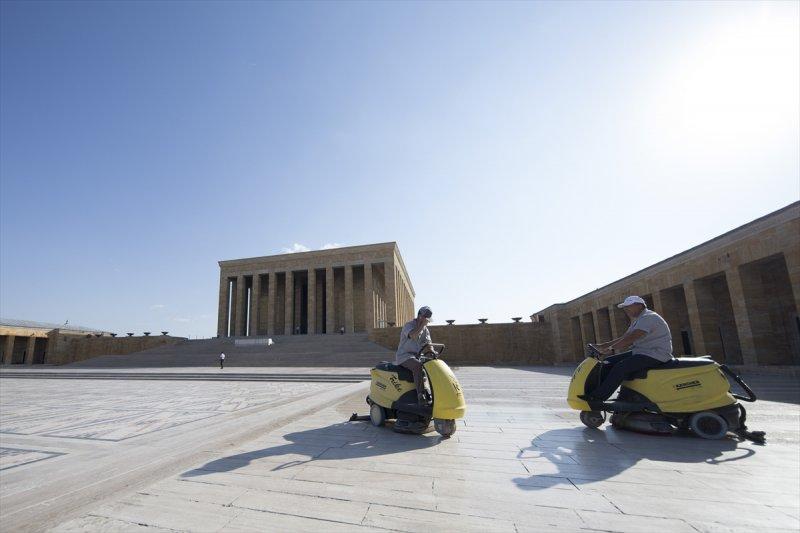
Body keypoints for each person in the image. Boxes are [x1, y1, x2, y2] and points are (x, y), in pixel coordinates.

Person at [581, 296, 673, 402]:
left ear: (639, 306)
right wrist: (603, 345)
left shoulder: (649, 317)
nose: (626, 310)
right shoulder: (638, 320)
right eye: (625, 307)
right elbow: (624, 337)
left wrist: (611, 348)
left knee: (621, 367)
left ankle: (597, 398)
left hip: (656, 354)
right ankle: (595, 391)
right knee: (608, 362)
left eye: (629, 307)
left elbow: (633, 337)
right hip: (642, 352)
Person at [395, 306, 436, 405]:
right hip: (404, 356)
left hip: (416, 356)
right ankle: (420, 395)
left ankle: (430, 392)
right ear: (420, 316)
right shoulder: (409, 325)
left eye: (428, 319)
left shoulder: (425, 330)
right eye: (426, 318)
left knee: (432, 366)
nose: (427, 321)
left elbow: (428, 344)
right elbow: (413, 335)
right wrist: (422, 326)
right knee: (418, 366)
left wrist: (432, 352)